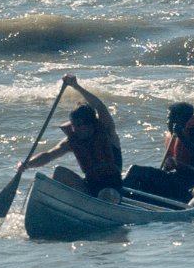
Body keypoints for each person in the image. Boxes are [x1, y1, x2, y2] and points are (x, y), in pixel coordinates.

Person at [17, 74, 123, 202]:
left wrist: (76, 86)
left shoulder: (107, 131)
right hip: (89, 189)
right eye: (73, 125)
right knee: (59, 172)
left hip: (113, 190)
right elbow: (48, 155)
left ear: (90, 124)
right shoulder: (71, 141)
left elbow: (99, 106)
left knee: (106, 194)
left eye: (78, 125)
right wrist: (27, 165)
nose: (74, 129)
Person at [123, 101, 194, 207]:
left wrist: (182, 137)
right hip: (175, 180)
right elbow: (168, 168)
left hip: (191, 182)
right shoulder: (172, 135)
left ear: (182, 120)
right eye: (168, 119)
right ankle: (117, 193)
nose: (168, 122)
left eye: (170, 119)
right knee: (135, 170)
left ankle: (186, 210)